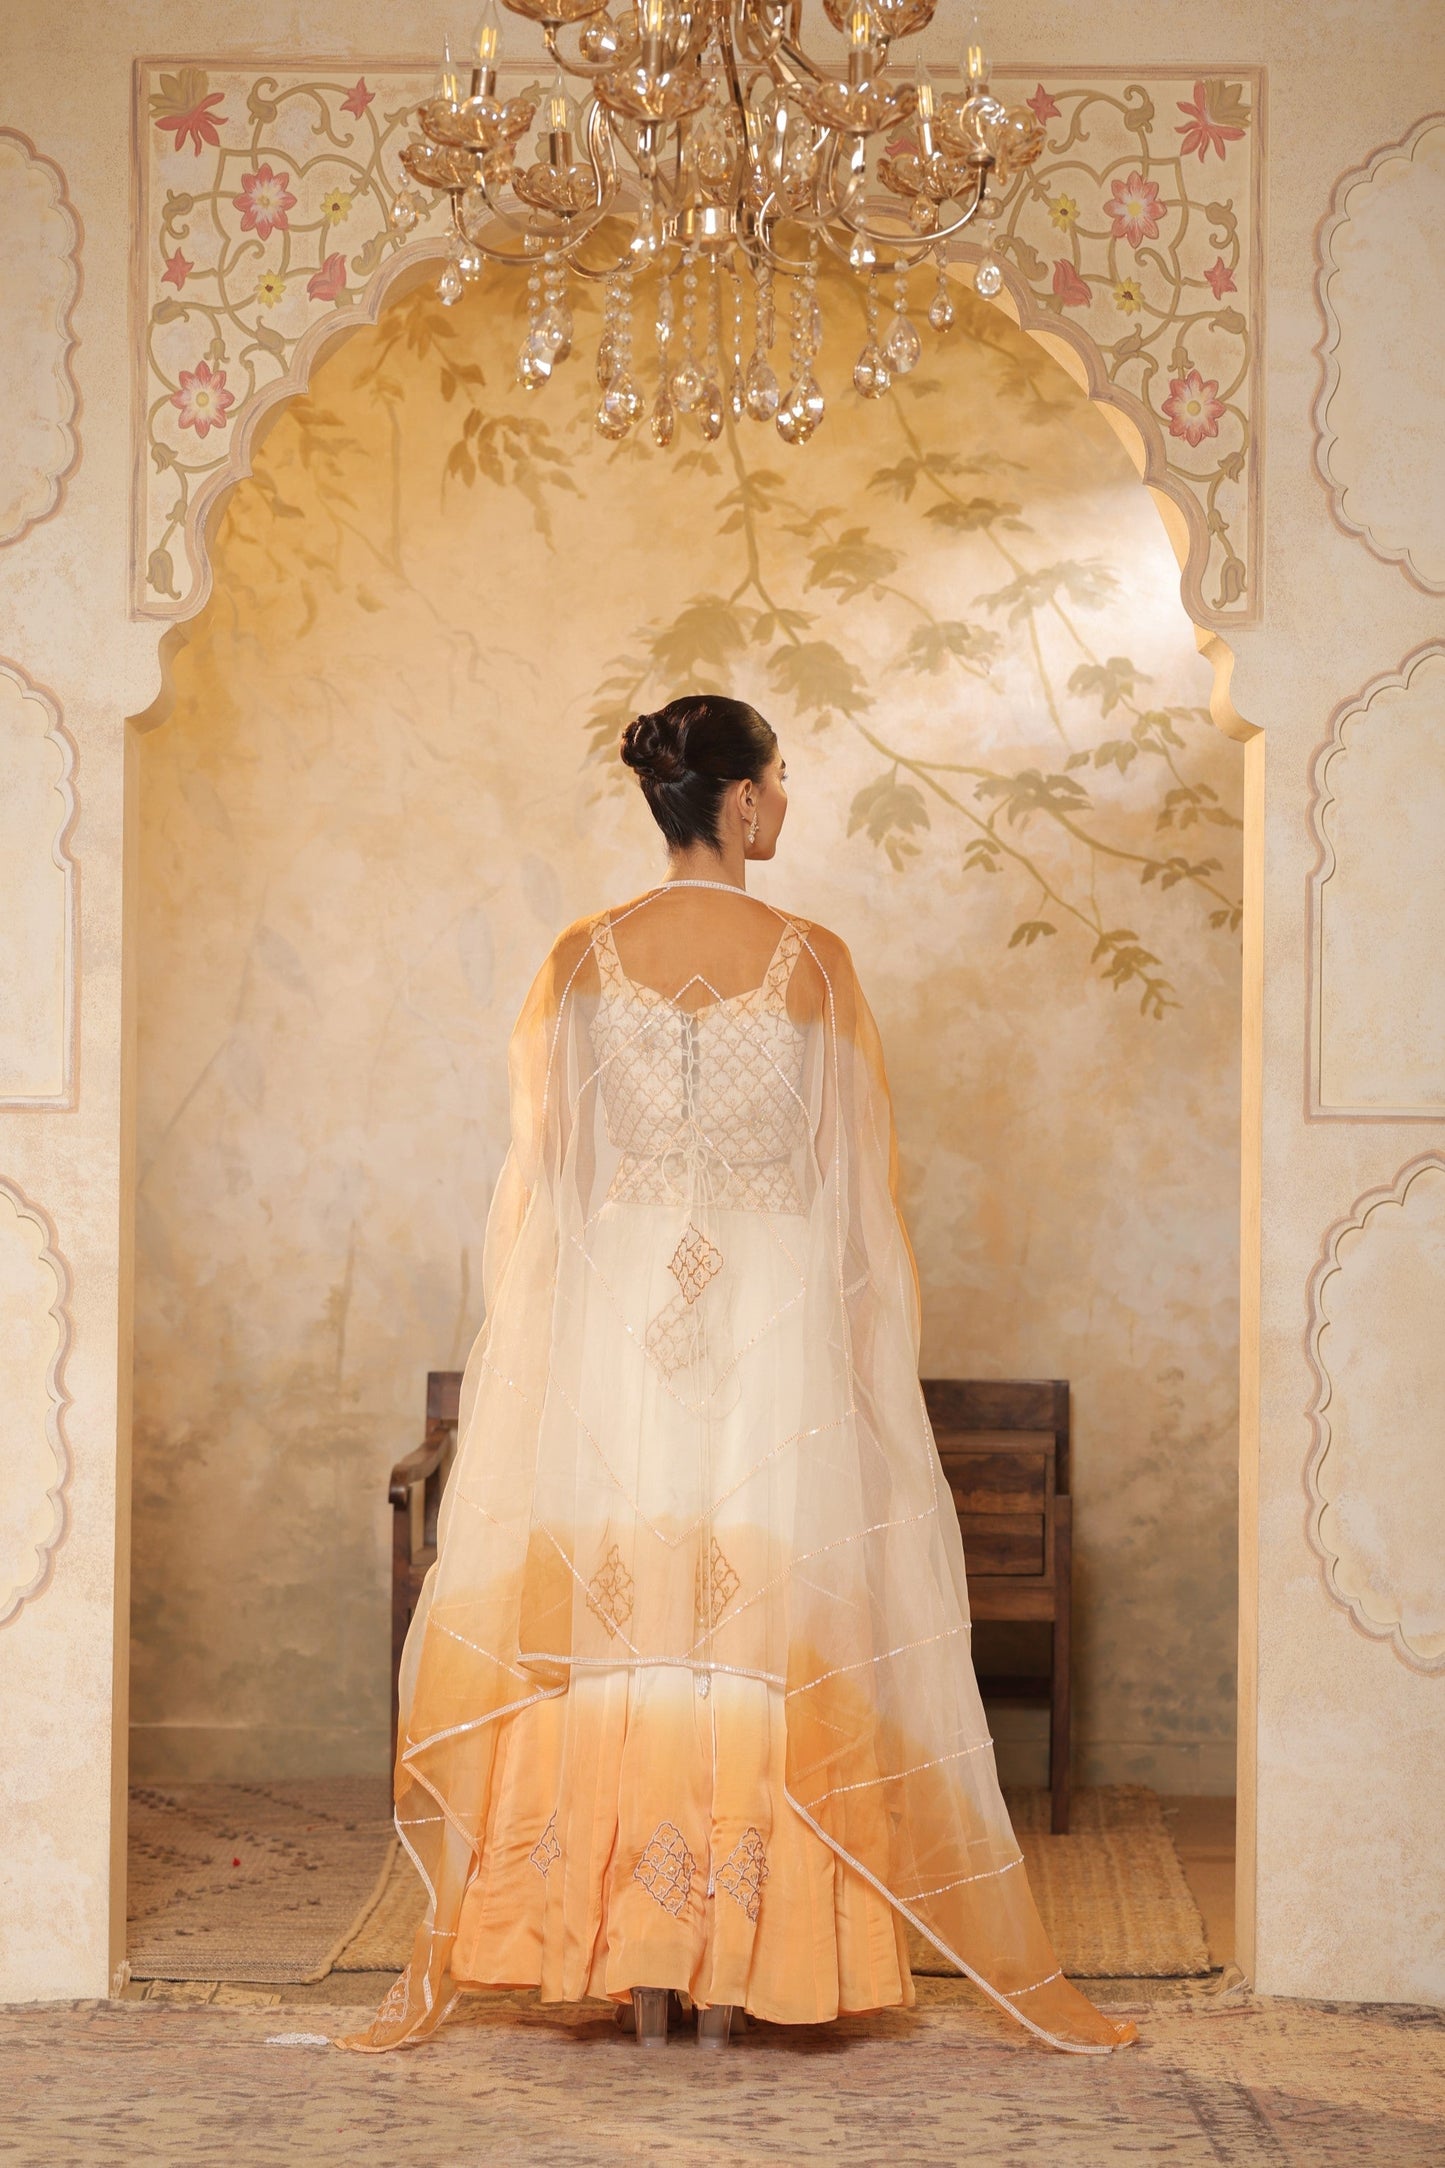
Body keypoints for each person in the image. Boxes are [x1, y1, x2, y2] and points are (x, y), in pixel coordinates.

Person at [339, 693, 1136, 2057]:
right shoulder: (815, 963)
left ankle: (616, 1955)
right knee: (752, 1632)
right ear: (747, 798)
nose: (786, 804)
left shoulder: (577, 960)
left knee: (620, 1629)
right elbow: (851, 1211)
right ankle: (742, 1964)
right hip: (768, 1328)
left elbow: (550, 1191)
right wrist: (844, 1368)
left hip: (617, 1328)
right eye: (781, 781)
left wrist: (607, 1309)